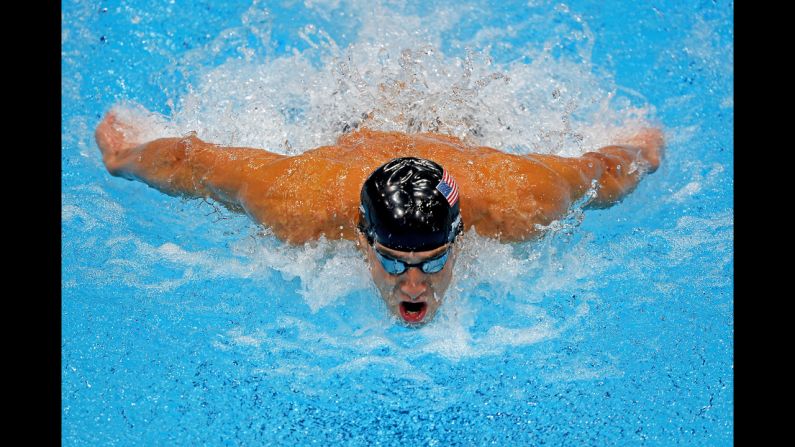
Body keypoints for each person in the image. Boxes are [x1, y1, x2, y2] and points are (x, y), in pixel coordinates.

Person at [95, 110, 664, 325]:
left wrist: (643, 149)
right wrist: (125, 158)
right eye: (394, 263)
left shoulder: (520, 202)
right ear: (362, 238)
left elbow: (600, 172)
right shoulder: (297, 205)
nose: (413, 285)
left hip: (462, 133)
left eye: (434, 260)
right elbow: (193, 163)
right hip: (352, 132)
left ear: (462, 235)